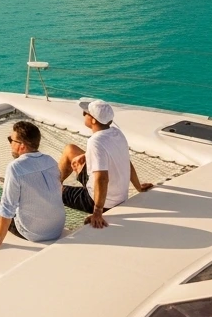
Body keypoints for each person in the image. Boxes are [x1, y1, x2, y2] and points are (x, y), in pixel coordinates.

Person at [60, 98, 154, 228]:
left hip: (101, 202)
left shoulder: (95, 141)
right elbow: (126, 161)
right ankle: (57, 182)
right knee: (70, 149)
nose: (83, 114)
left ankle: (53, 186)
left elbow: (102, 178)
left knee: (57, 191)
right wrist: (138, 187)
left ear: (93, 120)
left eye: (85, 113)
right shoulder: (117, 133)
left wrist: (97, 211)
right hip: (120, 196)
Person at [0, 120, 67, 251]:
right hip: (57, 228)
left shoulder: (15, 167)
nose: (10, 143)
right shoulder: (50, 160)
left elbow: (7, 207)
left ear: (22, 146)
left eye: (11, 140)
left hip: (33, 233)